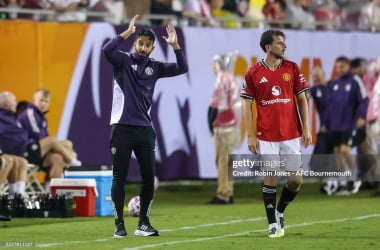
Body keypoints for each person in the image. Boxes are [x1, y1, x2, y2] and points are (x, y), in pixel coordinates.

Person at [103, 15, 188, 237]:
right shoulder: (122, 61)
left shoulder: (155, 67)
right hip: (121, 127)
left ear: (152, 48)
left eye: (147, 45)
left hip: (144, 130)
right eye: (140, 43)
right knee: (119, 177)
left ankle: (143, 223)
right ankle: (119, 225)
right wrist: (127, 32)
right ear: (135, 44)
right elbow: (106, 50)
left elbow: (182, 67)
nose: (143, 48)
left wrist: (176, 46)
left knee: (149, 177)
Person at [241, 29, 311, 238]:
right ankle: (272, 223)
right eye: (280, 43)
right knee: (270, 178)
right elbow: (246, 106)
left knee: (295, 181)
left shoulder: (292, 68)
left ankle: (280, 211)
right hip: (266, 135)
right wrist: (251, 135)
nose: (285, 46)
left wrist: (306, 127)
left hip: (290, 134)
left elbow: (302, 100)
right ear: (268, 47)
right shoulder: (253, 73)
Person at [0, 91, 76, 192]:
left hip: (30, 149)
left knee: (58, 157)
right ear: (6, 104)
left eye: (46, 101)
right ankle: (73, 162)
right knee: (53, 142)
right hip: (24, 150)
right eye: (41, 100)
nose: (16, 103)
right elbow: (38, 137)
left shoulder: (12, 118)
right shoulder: (26, 114)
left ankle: (51, 191)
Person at [321, 56, 369, 195]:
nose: (339, 69)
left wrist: (361, 116)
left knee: (344, 150)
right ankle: (342, 183)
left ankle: (355, 177)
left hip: (350, 124)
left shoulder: (355, 81)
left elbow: (364, 100)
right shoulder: (334, 84)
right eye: (337, 67)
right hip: (335, 125)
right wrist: (325, 123)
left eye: (341, 66)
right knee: (337, 152)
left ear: (348, 66)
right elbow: (329, 107)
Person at [207, 53, 240, 204]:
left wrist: (210, 125)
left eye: (214, 64)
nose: (212, 67)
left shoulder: (221, 78)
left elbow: (214, 104)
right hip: (232, 126)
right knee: (227, 161)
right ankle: (229, 191)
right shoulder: (232, 78)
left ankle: (223, 194)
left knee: (222, 161)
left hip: (223, 127)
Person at [309, 65, 336, 195]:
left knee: (333, 156)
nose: (315, 78)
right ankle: (331, 182)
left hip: (337, 127)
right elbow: (305, 95)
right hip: (325, 130)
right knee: (317, 162)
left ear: (323, 74)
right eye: (313, 76)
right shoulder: (315, 90)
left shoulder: (334, 86)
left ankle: (332, 183)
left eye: (317, 75)